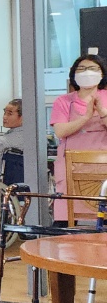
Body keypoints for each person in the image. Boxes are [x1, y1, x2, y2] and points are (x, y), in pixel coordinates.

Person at [51, 54, 107, 224]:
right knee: (66, 216)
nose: (87, 72)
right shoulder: (63, 101)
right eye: (81, 69)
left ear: (102, 74)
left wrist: (102, 112)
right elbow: (60, 131)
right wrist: (86, 117)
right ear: (74, 74)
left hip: (102, 166)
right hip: (71, 166)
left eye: (93, 69)